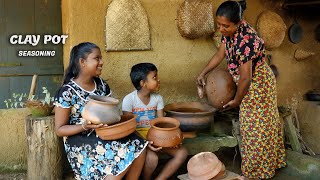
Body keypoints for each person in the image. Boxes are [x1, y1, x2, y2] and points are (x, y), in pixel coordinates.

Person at [197, 1, 286, 179]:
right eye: (219, 25)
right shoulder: (229, 33)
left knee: (256, 128)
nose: (221, 29)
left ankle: (257, 173)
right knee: (253, 127)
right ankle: (262, 167)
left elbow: (246, 77)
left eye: (226, 26)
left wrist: (237, 100)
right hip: (247, 84)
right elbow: (220, 54)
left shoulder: (246, 39)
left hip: (258, 85)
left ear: (238, 23)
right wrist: (203, 73)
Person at [54, 42, 147, 180]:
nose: (102, 62)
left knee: (139, 144)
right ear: (82, 62)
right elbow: (60, 129)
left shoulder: (102, 85)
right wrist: (85, 126)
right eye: (97, 58)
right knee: (119, 155)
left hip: (105, 133)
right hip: (81, 140)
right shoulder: (67, 92)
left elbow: (112, 113)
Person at [122, 63, 188, 180]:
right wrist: (146, 143)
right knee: (152, 159)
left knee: (182, 153)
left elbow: (161, 124)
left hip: (156, 137)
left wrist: (172, 139)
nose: (158, 80)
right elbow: (129, 128)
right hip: (138, 139)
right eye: (154, 77)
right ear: (143, 83)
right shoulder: (129, 100)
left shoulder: (158, 98)